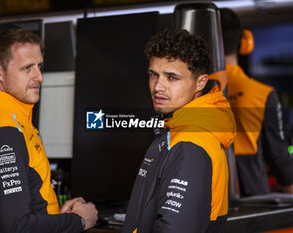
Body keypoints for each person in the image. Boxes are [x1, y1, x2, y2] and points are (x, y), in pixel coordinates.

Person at [0, 23, 98, 233]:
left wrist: (57, 217)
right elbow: (18, 226)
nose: (39, 77)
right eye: (27, 68)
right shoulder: (3, 132)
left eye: (39, 66)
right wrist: (79, 221)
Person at [122, 28, 236, 233]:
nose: (158, 87)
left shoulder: (190, 144)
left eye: (172, 77)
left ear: (200, 82)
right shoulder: (178, 133)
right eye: (153, 75)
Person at [220, 8, 293, 197]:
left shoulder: (191, 93)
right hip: (253, 198)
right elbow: (278, 156)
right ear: (245, 43)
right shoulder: (263, 94)